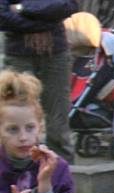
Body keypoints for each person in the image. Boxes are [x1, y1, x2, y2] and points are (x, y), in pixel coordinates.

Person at [0, 0, 78, 163]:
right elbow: (3, 16)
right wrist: (47, 20)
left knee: (58, 109)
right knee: (15, 109)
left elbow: (67, 6)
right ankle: (18, 162)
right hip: (18, 53)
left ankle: (61, 164)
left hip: (55, 52)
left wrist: (22, 9)